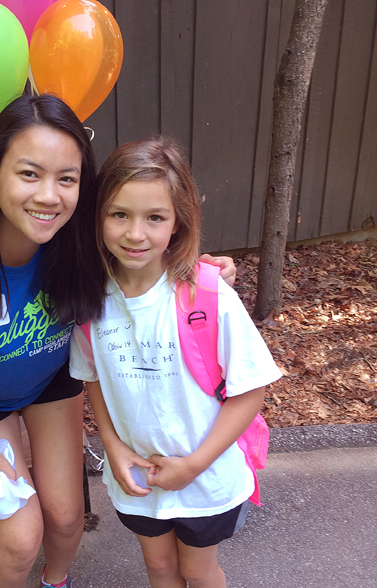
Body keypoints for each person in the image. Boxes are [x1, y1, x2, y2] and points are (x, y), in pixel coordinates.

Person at [0, 95, 238, 588]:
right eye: (29, 173)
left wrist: (198, 270)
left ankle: (54, 582)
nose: (48, 196)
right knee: (20, 538)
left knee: (65, 517)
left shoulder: (77, 244)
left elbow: (143, 247)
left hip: (52, 383)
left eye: (67, 178)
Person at [70, 138, 282, 588]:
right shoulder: (90, 300)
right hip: (137, 476)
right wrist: (112, 445)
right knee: (160, 568)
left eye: (155, 217)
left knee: (197, 571)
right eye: (119, 214)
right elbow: (93, 379)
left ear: (178, 221)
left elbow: (251, 390)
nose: (135, 234)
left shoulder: (207, 294)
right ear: (98, 216)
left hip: (205, 477)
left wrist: (194, 465)